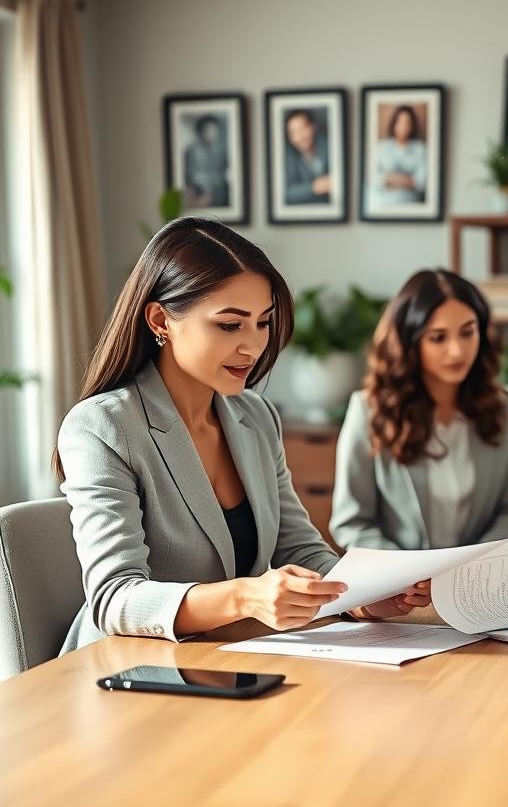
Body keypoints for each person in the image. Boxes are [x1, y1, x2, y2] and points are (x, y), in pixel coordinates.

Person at [54, 218, 428, 653]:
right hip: (127, 672)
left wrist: (361, 598)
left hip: (228, 658)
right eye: (230, 326)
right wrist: (246, 596)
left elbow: (300, 549)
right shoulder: (103, 427)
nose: (253, 346)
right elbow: (114, 598)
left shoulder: (255, 416)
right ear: (161, 320)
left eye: (262, 323)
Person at [330, 268, 508, 550]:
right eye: (438, 338)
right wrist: (411, 574)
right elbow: (351, 523)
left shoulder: (506, 407)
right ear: (410, 342)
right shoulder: (368, 410)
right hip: (400, 586)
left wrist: (473, 561)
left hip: (477, 582)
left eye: (468, 333)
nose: (457, 351)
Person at [370, 105, 426, 208]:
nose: (403, 126)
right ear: (394, 124)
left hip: (411, 205)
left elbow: (421, 183)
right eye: (400, 122)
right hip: (382, 205)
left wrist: (390, 178)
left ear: (413, 125)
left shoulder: (421, 149)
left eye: (407, 122)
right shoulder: (381, 148)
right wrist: (407, 179)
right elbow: (375, 180)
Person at [283, 109, 331, 205]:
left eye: (302, 129)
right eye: (293, 133)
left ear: (313, 127)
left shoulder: (329, 146)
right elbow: (286, 192)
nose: (299, 137)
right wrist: (315, 187)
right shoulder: (290, 156)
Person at [183, 114, 229, 207]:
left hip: (216, 195)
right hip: (199, 194)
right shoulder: (191, 151)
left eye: (215, 130)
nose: (213, 133)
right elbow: (190, 176)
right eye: (209, 130)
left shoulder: (217, 150)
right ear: (201, 131)